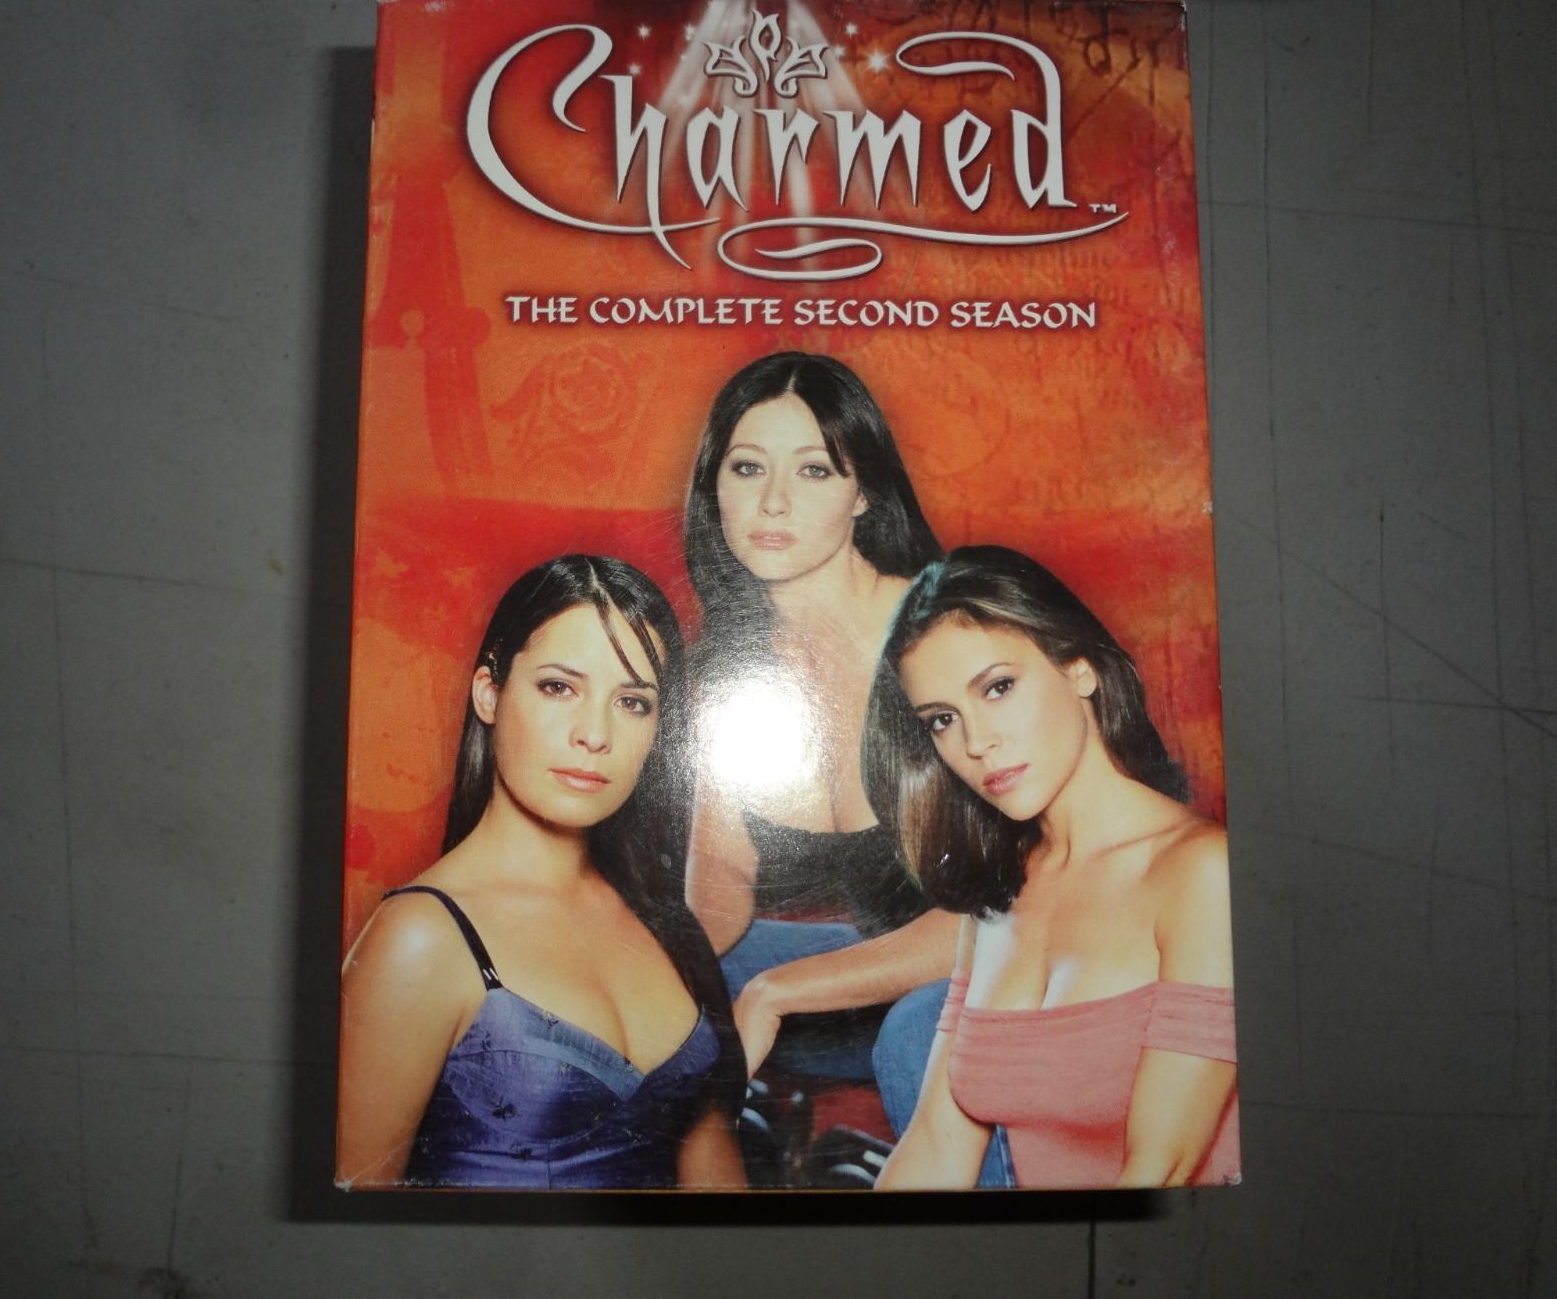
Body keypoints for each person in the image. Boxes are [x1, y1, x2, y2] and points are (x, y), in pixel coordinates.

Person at [681, 351, 1012, 1184]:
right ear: (713, 485)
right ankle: (758, 1146)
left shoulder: (940, 631)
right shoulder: (730, 667)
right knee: (652, 973)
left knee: (916, 1029)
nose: (773, 502)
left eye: (814, 470)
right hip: (880, 970)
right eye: (747, 468)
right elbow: (722, 870)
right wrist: (650, 969)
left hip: (1012, 969)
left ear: (863, 492)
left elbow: (1000, 916)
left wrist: (776, 995)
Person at [336, 556, 746, 1189]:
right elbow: (348, 1223)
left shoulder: (662, 923)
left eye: (632, 702)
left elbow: (725, 1212)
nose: (594, 735)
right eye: (559, 687)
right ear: (489, 692)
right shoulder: (419, 938)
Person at [866, 547, 1238, 1189]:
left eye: (998, 688)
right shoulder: (999, 893)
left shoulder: (1202, 872)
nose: (976, 742)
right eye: (943, 720)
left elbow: (1159, 1171)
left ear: (1080, 669)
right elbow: (935, 1149)